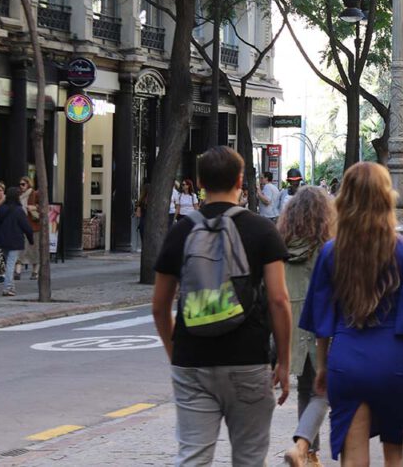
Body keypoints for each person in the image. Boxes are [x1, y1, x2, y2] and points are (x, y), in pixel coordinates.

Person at [152, 146, 292, 466]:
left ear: (201, 182)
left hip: (192, 360)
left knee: (193, 457)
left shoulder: (181, 232)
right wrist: (284, 361)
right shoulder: (262, 230)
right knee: (250, 458)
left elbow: (159, 306)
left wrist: (176, 353)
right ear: (240, 180)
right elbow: (279, 300)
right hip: (249, 359)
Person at [301, 162, 403, 466]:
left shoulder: (331, 252)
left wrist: (323, 367)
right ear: (386, 197)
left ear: (344, 199)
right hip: (393, 361)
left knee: (353, 459)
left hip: (346, 361)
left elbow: (321, 324)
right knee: (396, 455)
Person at [279, 186, 336, 467]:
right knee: (324, 390)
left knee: (306, 389)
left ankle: (310, 455)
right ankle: (303, 447)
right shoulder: (327, 247)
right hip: (318, 325)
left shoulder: (282, 245)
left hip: (291, 324)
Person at [0, 186, 34, 297]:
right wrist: (31, 239)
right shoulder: (19, 210)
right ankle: (7, 288)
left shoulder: (1, 209)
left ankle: (11, 286)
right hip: (15, 240)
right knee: (11, 264)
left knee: (8, 263)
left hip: (3, 240)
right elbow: (26, 227)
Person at [17, 177, 41, 280]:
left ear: (28, 184)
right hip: (20, 226)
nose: (21, 186)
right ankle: (17, 272)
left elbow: (44, 207)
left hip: (33, 226)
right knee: (20, 250)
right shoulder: (18, 196)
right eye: (20, 184)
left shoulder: (35, 194)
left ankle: (35, 272)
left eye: (23, 184)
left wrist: (34, 207)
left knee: (34, 250)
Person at [134, 184, 149, 253]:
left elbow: (138, 214)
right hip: (151, 223)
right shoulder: (154, 200)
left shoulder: (141, 201)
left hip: (143, 222)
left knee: (143, 240)